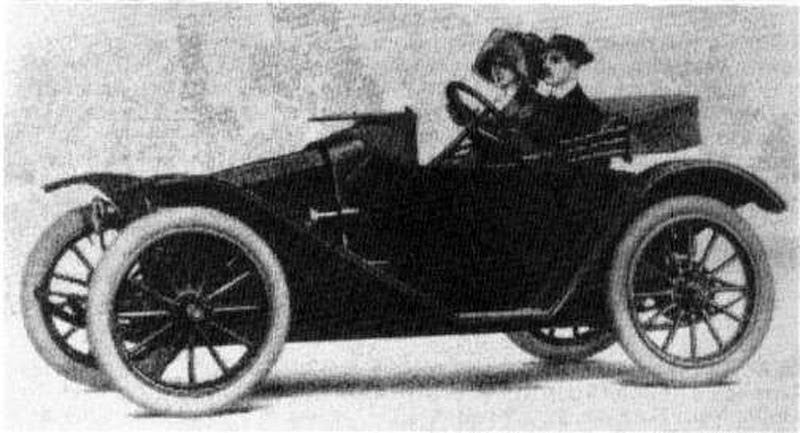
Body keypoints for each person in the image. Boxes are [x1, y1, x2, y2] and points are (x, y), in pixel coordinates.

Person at [448, 30, 605, 163]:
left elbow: (526, 149)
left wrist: (475, 124)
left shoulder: (577, 108)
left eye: (555, 60)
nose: (546, 65)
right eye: (544, 60)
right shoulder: (544, 103)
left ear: (574, 64)